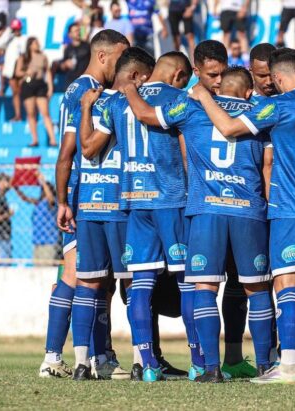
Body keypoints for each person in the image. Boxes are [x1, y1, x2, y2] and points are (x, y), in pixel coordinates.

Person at [191, 47, 295, 385]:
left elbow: (230, 127)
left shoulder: (278, 106)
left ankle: (289, 366)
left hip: (291, 208)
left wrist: (205, 96)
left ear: (278, 78)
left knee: (287, 283)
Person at [130, 66, 275, 383]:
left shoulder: (192, 105)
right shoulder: (260, 110)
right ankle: (266, 365)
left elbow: (147, 116)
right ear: (248, 90)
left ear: (219, 85)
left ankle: (210, 368)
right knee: (257, 289)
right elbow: (268, 165)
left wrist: (129, 89)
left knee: (205, 288)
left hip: (206, 210)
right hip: (248, 210)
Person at [83, 50, 194, 382]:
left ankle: (146, 365)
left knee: (140, 284)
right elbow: (187, 154)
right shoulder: (180, 99)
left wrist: (87, 107)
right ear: (178, 75)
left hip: (133, 201)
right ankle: (200, 362)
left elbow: (89, 148)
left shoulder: (116, 103)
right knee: (187, 282)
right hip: (170, 199)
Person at [39, 29, 129, 380]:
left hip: (84, 193)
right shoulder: (86, 92)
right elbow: (69, 152)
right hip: (85, 193)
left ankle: (97, 355)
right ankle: (59, 357)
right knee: (78, 275)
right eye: (121, 56)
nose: (123, 63)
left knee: (97, 280)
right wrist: (64, 200)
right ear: (103, 55)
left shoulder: (79, 89)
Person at [70, 47, 157, 382]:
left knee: (88, 285)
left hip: (90, 205)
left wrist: (85, 108)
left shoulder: (95, 101)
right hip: (123, 205)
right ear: (136, 75)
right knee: (137, 283)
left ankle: (81, 363)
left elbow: (87, 148)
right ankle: (140, 361)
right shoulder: (132, 103)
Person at [16, 37, 57, 147]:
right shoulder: (23, 57)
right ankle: (34, 139)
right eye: (35, 43)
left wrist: (50, 87)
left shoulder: (43, 56)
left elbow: (47, 72)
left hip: (40, 84)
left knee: (45, 112)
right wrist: (26, 72)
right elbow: (17, 72)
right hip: (28, 84)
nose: (37, 44)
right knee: (31, 113)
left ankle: (53, 139)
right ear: (29, 45)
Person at [15, 172, 59, 265]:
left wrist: (43, 182)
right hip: (37, 242)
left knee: (47, 270)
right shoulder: (38, 202)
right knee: (38, 270)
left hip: (49, 242)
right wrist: (16, 188)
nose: (43, 190)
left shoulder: (53, 203)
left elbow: (50, 198)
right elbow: (25, 198)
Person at [0, 18, 26, 122]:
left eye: (17, 29)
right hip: (11, 71)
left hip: (21, 70)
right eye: (14, 29)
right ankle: (18, 114)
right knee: (15, 92)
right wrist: (9, 31)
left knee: (22, 91)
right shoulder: (9, 39)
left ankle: (23, 114)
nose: (16, 31)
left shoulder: (24, 39)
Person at [56, 23, 90, 89]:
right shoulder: (67, 49)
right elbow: (62, 65)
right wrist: (65, 64)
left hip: (85, 82)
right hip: (71, 83)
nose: (78, 32)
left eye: (79, 30)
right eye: (75, 31)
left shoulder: (87, 46)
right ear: (70, 34)